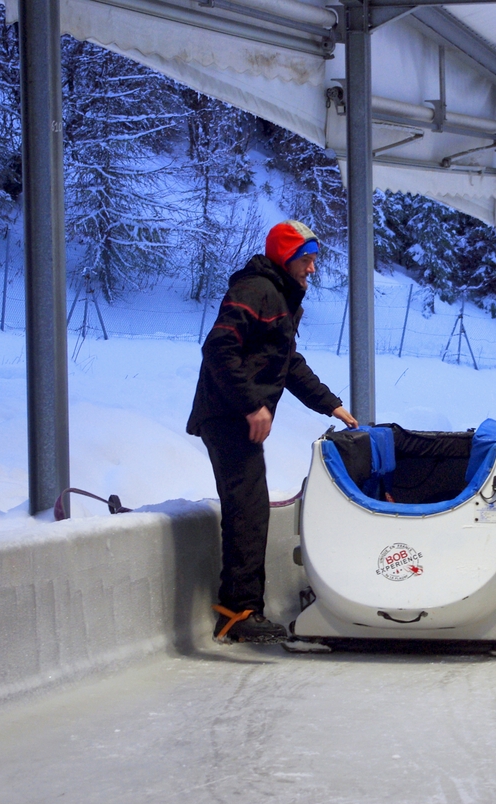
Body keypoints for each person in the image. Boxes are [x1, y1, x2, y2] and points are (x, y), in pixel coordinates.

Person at [187, 220, 357, 643]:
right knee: (248, 511)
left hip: (237, 414)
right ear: (287, 256)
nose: (313, 269)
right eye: (308, 259)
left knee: (251, 509)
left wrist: (331, 403)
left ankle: (240, 609)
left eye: (314, 260)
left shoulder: (279, 295)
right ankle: (239, 613)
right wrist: (251, 405)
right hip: (228, 414)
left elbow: (288, 363)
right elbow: (218, 348)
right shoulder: (255, 290)